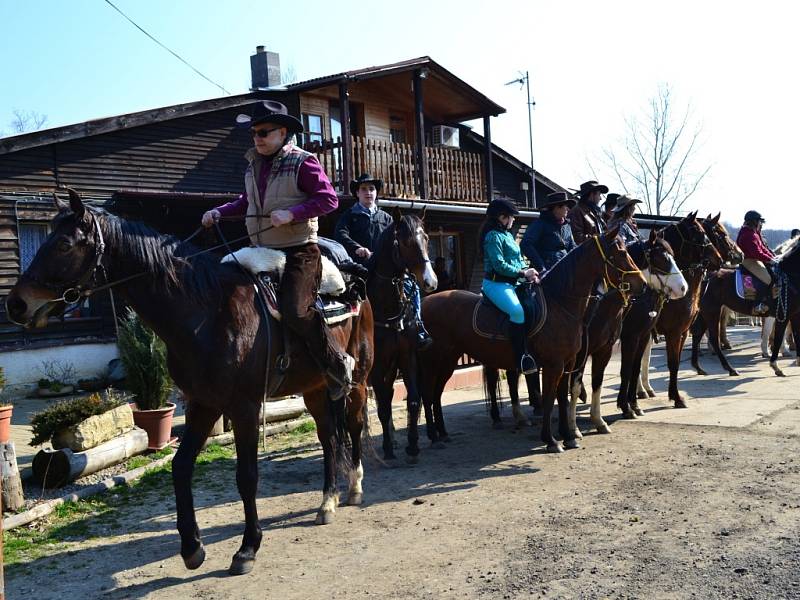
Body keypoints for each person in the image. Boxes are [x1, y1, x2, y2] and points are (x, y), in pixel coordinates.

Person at [201, 100, 354, 400]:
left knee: (296, 312)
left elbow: (329, 200)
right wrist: (219, 211)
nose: (257, 137)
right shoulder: (254, 164)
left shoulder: (303, 162)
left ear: (282, 132)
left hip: (300, 251)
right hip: (260, 250)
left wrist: (293, 214)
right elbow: (246, 202)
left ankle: (336, 363)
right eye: (254, 132)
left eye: (264, 132)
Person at [335, 173, 432, 349]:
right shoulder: (349, 215)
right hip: (358, 265)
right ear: (357, 193)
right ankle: (349, 334)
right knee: (348, 294)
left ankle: (418, 327)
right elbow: (340, 234)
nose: (368, 192)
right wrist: (357, 247)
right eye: (364, 189)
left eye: (371, 189)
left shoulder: (386, 218)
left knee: (413, 288)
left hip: (384, 266)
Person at [480, 198, 539, 374]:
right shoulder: (492, 236)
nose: (514, 220)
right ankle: (521, 357)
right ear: (502, 217)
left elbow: (518, 260)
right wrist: (522, 273)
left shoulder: (507, 235)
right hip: (496, 283)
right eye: (511, 217)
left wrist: (530, 272)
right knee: (517, 311)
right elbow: (499, 265)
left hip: (514, 282)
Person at [520, 191, 578, 272]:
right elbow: (525, 244)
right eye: (566, 206)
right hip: (547, 273)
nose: (568, 209)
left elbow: (572, 247)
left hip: (565, 270)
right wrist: (541, 267)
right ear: (557, 208)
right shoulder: (540, 224)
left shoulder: (567, 225)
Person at [736, 210, 775, 315]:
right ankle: (757, 304)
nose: (760, 224)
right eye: (759, 221)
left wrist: (774, 258)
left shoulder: (754, 233)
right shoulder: (748, 234)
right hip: (748, 260)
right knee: (768, 279)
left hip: (755, 258)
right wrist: (770, 260)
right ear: (754, 222)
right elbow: (756, 252)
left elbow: (763, 249)